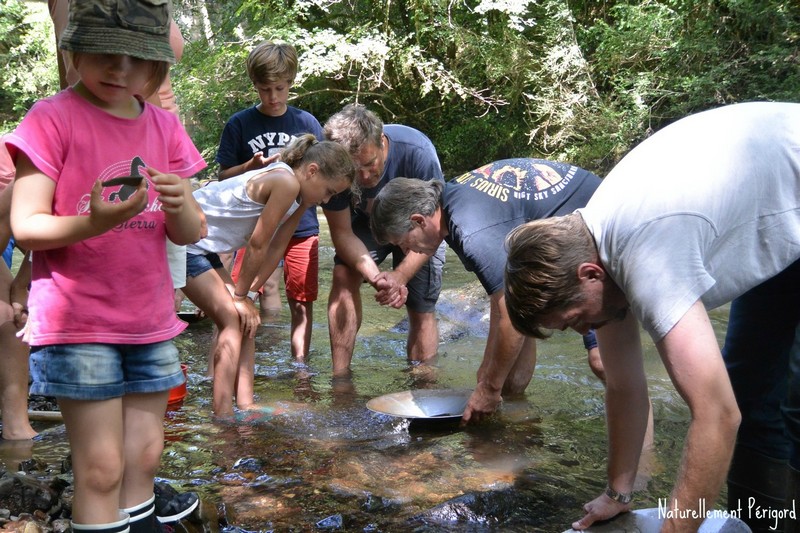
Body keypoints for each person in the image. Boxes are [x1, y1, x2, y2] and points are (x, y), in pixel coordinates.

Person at [502, 102, 800, 532]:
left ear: (589, 275)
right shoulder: (596, 251)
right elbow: (624, 387)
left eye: (573, 320)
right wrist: (617, 494)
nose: (583, 331)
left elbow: (716, 415)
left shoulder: (647, 256)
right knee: (750, 394)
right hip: (777, 213)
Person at [6, 0, 206, 530]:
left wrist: (183, 203)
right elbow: (26, 226)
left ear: (156, 67)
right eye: (105, 53)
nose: (120, 69)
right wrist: (93, 224)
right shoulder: (53, 118)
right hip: (80, 323)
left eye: (135, 59)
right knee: (100, 467)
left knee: (143, 457)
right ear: (76, 50)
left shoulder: (163, 127)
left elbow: (190, 232)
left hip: (149, 321)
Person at [369, 159, 610, 423]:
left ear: (418, 221)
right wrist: (491, 379)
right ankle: (521, 427)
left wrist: (489, 387)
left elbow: (509, 311)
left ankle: (643, 457)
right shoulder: (452, 204)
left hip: (602, 229)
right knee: (505, 378)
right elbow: (515, 306)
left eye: (403, 243)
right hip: (575, 231)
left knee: (603, 362)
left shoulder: (473, 229)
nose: (407, 252)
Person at [182, 134, 356, 418]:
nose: (327, 200)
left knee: (246, 320)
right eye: (329, 191)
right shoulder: (285, 181)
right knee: (231, 317)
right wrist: (239, 297)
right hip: (185, 243)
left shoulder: (298, 199)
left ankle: (246, 403)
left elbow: (277, 247)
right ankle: (222, 416)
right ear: (312, 171)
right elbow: (258, 244)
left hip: (203, 247)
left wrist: (250, 294)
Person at [216, 40, 324, 361]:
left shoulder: (307, 124)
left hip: (301, 227)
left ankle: (296, 363)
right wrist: (249, 167)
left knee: (301, 301)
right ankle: (251, 354)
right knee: (243, 293)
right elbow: (223, 177)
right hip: (253, 226)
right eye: (265, 89)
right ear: (255, 86)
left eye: (279, 88)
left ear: (291, 82)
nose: (273, 97)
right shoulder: (240, 124)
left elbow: (324, 173)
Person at [322, 103, 446, 376]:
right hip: (363, 226)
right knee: (344, 277)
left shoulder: (417, 153)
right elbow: (342, 234)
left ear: (381, 141)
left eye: (370, 164)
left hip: (417, 227)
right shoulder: (334, 161)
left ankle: (423, 385)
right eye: (355, 171)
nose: (364, 177)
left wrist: (400, 276)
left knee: (421, 305)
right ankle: (340, 378)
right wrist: (377, 277)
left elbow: (436, 228)